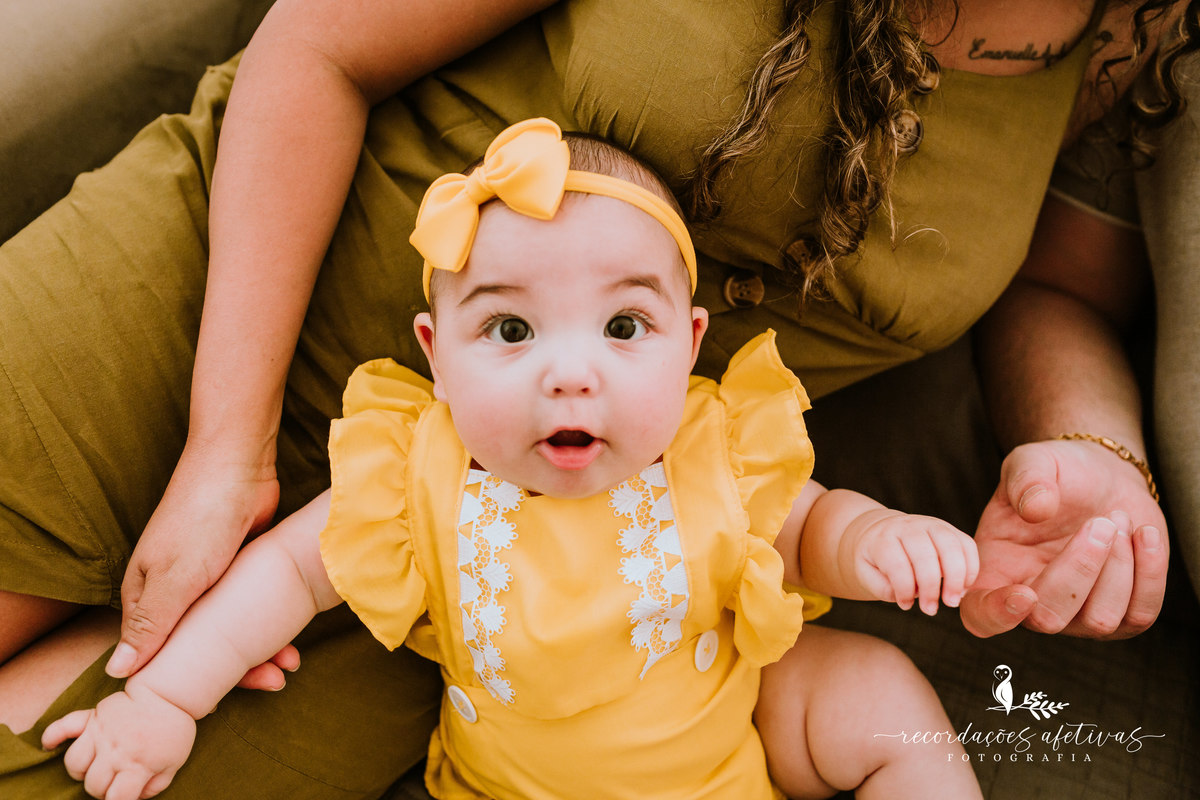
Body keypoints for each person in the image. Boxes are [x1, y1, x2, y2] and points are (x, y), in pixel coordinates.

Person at [0, 1, 1193, 797]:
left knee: (79, 768)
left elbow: (1058, 287)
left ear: (686, 338)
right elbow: (323, 43)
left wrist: (1088, 451)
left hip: (490, 579)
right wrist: (225, 448)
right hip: (232, 290)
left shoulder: (1140, 32)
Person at [41, 119, 983, 800]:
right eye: (509, 328)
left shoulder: (717, 449)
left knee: (877, 692)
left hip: (727, 763)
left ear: (689, 345)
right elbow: (284, 575)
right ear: (435, 356)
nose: (570, 374)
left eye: (623, 326)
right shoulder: (413, 468)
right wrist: (166, 696)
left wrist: (876, 541)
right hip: (507, 786)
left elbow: (809, 525)